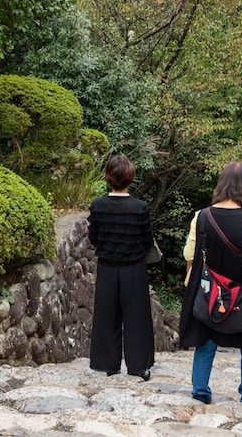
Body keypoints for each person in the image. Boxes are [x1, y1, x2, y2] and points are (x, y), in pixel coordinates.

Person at [179, 161, 242, 404]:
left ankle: (200, 392)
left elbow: (189, 253)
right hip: (241, 295)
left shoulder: (202, 216)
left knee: (205, 343)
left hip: (208, 293)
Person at [87, 155, 155, 380]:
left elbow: (94, 237)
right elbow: (147, 240)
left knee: (107, 315)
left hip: (107, 266)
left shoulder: (98, 206)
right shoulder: (139, 207)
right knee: (137, 317)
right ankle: (138, 366)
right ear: (130, 177)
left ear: (108, 176)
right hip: (133, 267)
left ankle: (109, 364)